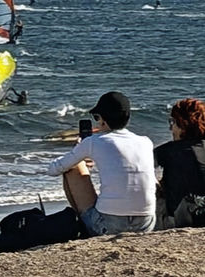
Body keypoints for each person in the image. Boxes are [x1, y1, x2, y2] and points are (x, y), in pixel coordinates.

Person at [46, 91, 156, 236]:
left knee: (72, 168)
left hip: (110, 225)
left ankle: (82, 226)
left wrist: (79, 151)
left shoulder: (93, 142)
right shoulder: (145, 142)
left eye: (97, 117)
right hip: (146, 223)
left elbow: (54, 169)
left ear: (103, 120)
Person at [153, 98, 205, 230]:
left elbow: (138, 166)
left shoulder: (170, 151)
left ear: (183, 125)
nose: (171, 128)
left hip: (185, 218)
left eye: (173, 123)